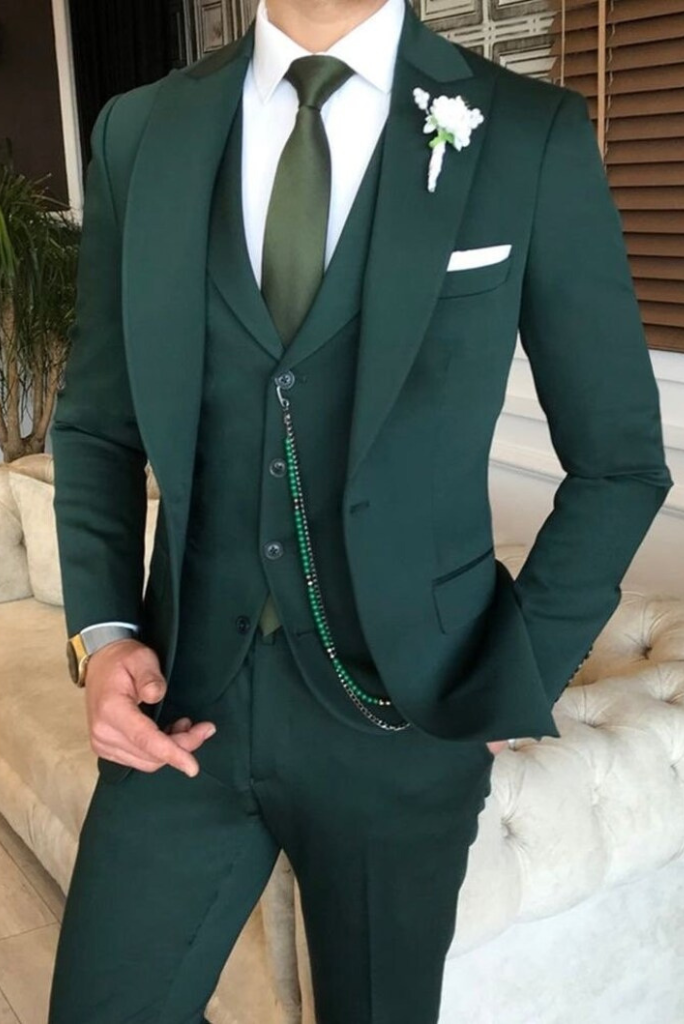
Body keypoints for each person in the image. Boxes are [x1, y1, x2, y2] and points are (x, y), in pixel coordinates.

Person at [47, 0, 673, 1020]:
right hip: (181, 707)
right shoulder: (140, 131)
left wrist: (511, 679)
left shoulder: (529, 133)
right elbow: (96, 424)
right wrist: (105, 633)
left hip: (406, 726)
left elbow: (621, 462)